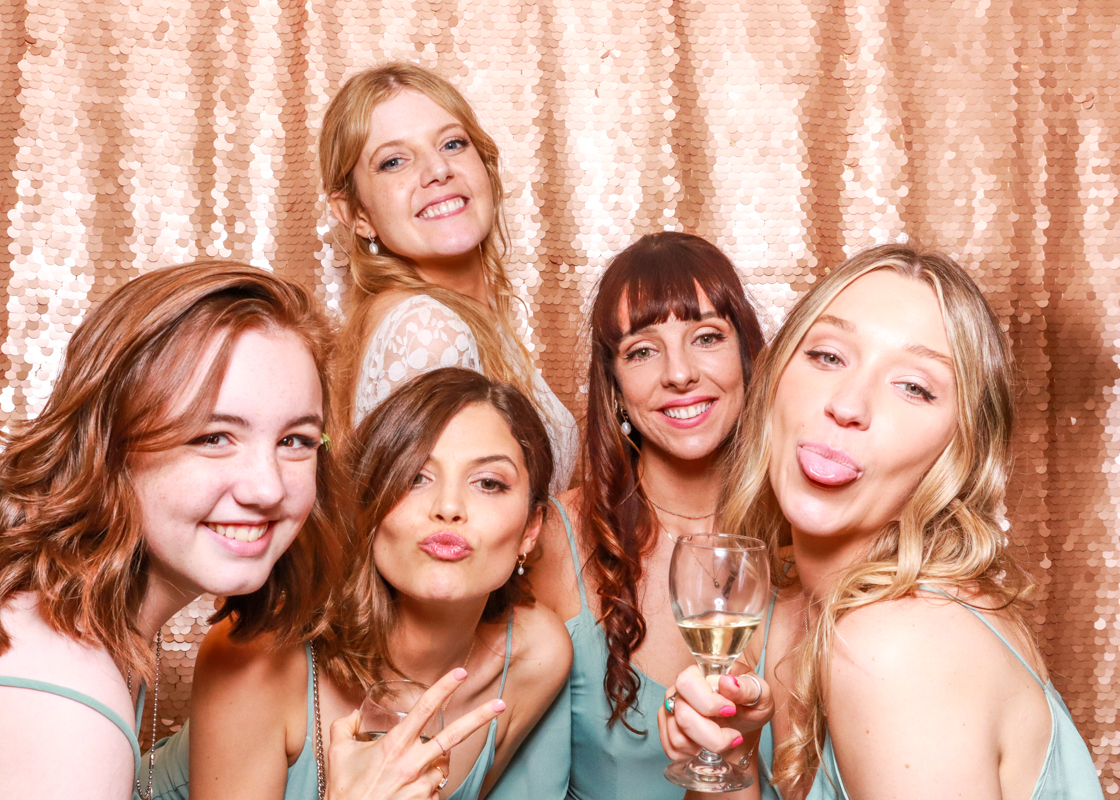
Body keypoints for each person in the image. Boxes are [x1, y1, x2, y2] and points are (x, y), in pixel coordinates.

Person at [659, 244, 1104, 799]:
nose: (848, 404)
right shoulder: (790, 607)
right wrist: (733, 753)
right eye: (827, 356)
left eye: (914, 386)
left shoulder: (901, 649)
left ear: (960, 449)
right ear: (773, 379)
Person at [0, 262, 336, 798]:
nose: (268, 489)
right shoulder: (63, 721)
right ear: (109, 444)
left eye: (296, 440)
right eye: (212, 437)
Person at [149, 367, 572, 800]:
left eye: (488, 483)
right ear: (369, 502)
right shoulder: (260, 655)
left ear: (531, 529)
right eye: (415, 478)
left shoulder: (535, 658)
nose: (448, 506)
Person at [492, 232, 765, 800]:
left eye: (707, 337)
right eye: (642, 350)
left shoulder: (810, 539)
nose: (680, 374)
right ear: (614, 386)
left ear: (747, 357)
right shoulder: (552, 541)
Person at [318, 62, 578, 492]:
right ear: (356, 214)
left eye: (453, 143)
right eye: (394, 161)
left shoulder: (462, 319)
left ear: (485, 165)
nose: (438, 169)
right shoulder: (427, 329)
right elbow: (437, 540)